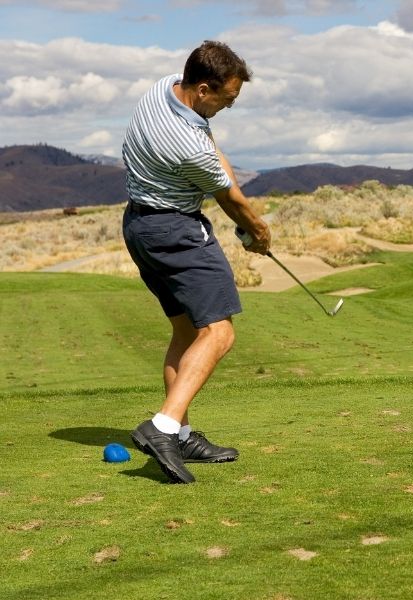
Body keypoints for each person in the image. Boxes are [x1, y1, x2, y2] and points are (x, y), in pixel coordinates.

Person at [121, 40, 270, 483]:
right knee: (219, 333)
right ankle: (163, 426)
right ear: (204, 89)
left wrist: (231, 188)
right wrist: (258, 233)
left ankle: (181, 433)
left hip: (139, 227)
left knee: (186, 331)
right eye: (228, 97)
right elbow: (232, 200)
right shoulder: (187, 145)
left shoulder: (163, 88)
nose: (229, 105)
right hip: (177, 233)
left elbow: (213, 155)